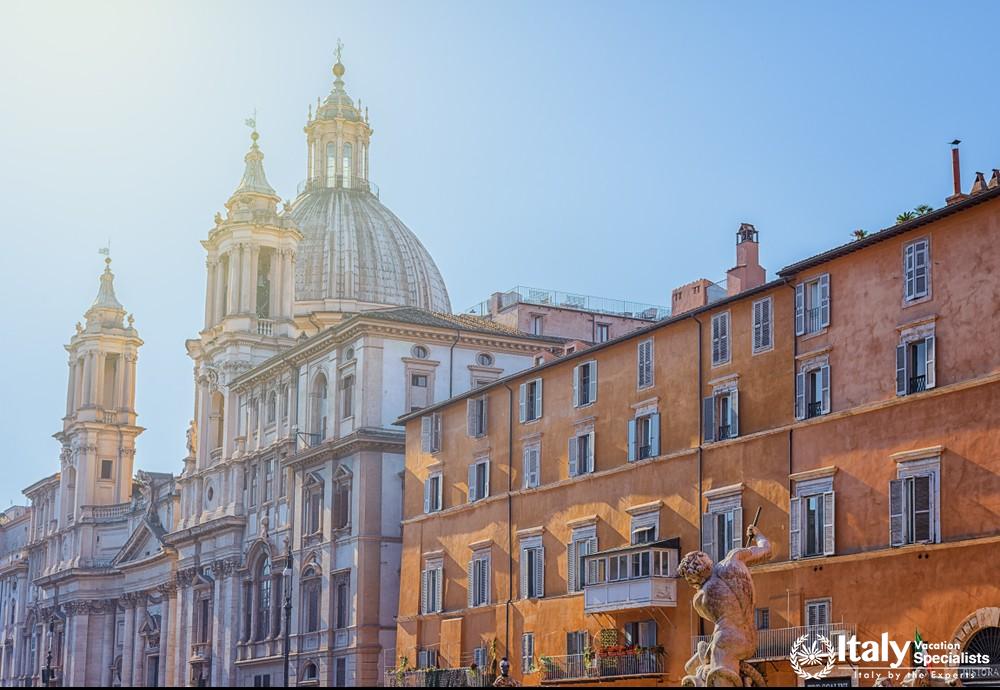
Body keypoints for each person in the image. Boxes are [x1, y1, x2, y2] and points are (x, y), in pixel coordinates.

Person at [678, 524, 772, 687]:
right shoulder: (734, 559)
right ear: (706, 559)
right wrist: (757, 534)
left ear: (693, 580)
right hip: (748, 637)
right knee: (692, 666)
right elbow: (766, 550)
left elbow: (710, 615)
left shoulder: (700, 598)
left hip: (726, 641)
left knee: (708, 677)